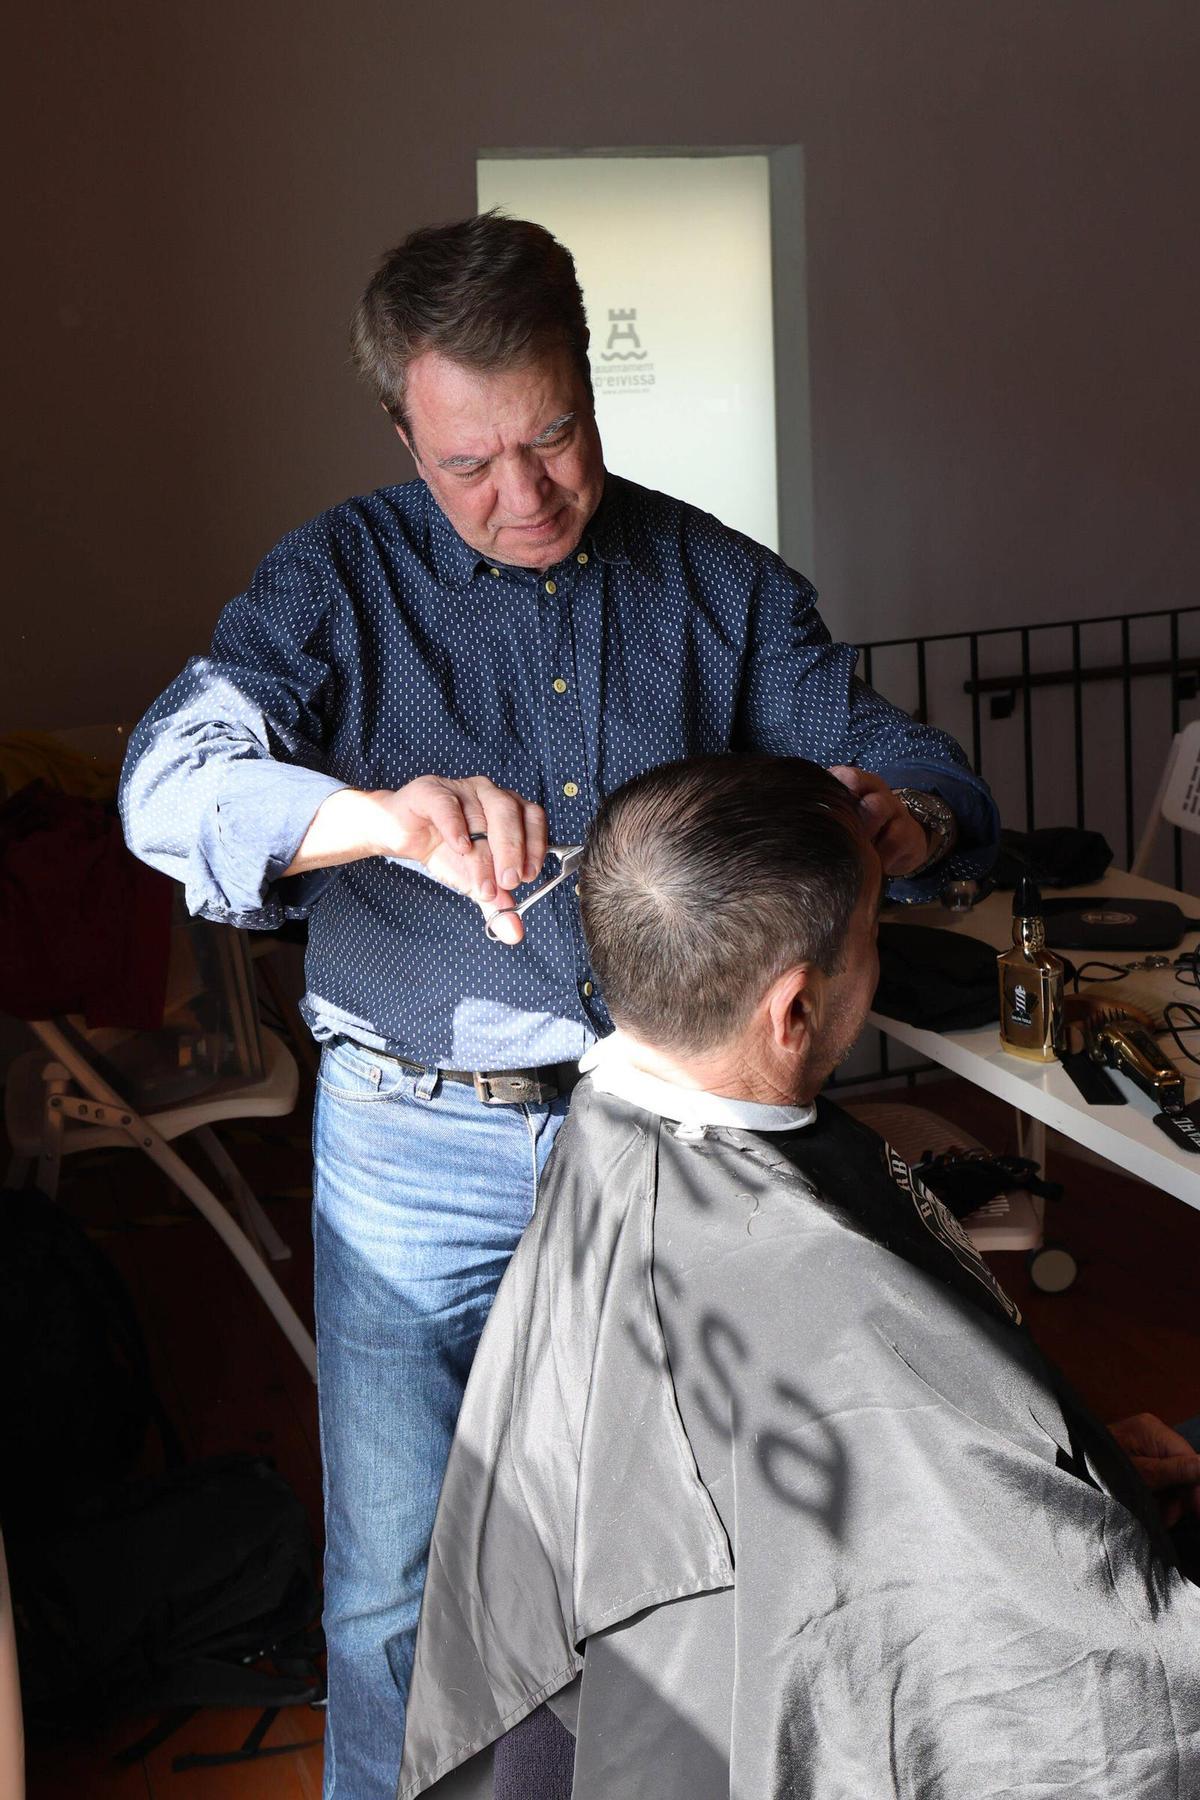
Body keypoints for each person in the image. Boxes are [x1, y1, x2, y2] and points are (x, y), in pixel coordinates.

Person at [118, 213, 999, 1797]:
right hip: (410, 1148)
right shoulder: (330, 583)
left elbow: (922, 765)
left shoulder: (718, 583)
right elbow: (168, 787)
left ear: (591, 385)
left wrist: (902, 817)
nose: (523, 495)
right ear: (402, 433)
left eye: (555, 439)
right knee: (394, 1591)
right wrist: (378, 819)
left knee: (673, 1557)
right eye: (470, 462)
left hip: (659, 1151)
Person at [399, 753, 1200, 1800]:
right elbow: (1110, 1693)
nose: (876, 959)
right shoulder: (831, 1311)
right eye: (872, 936)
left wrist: (1068, 1469)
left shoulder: (608, 1126)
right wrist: (1045, 1504)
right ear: (794, 1011)